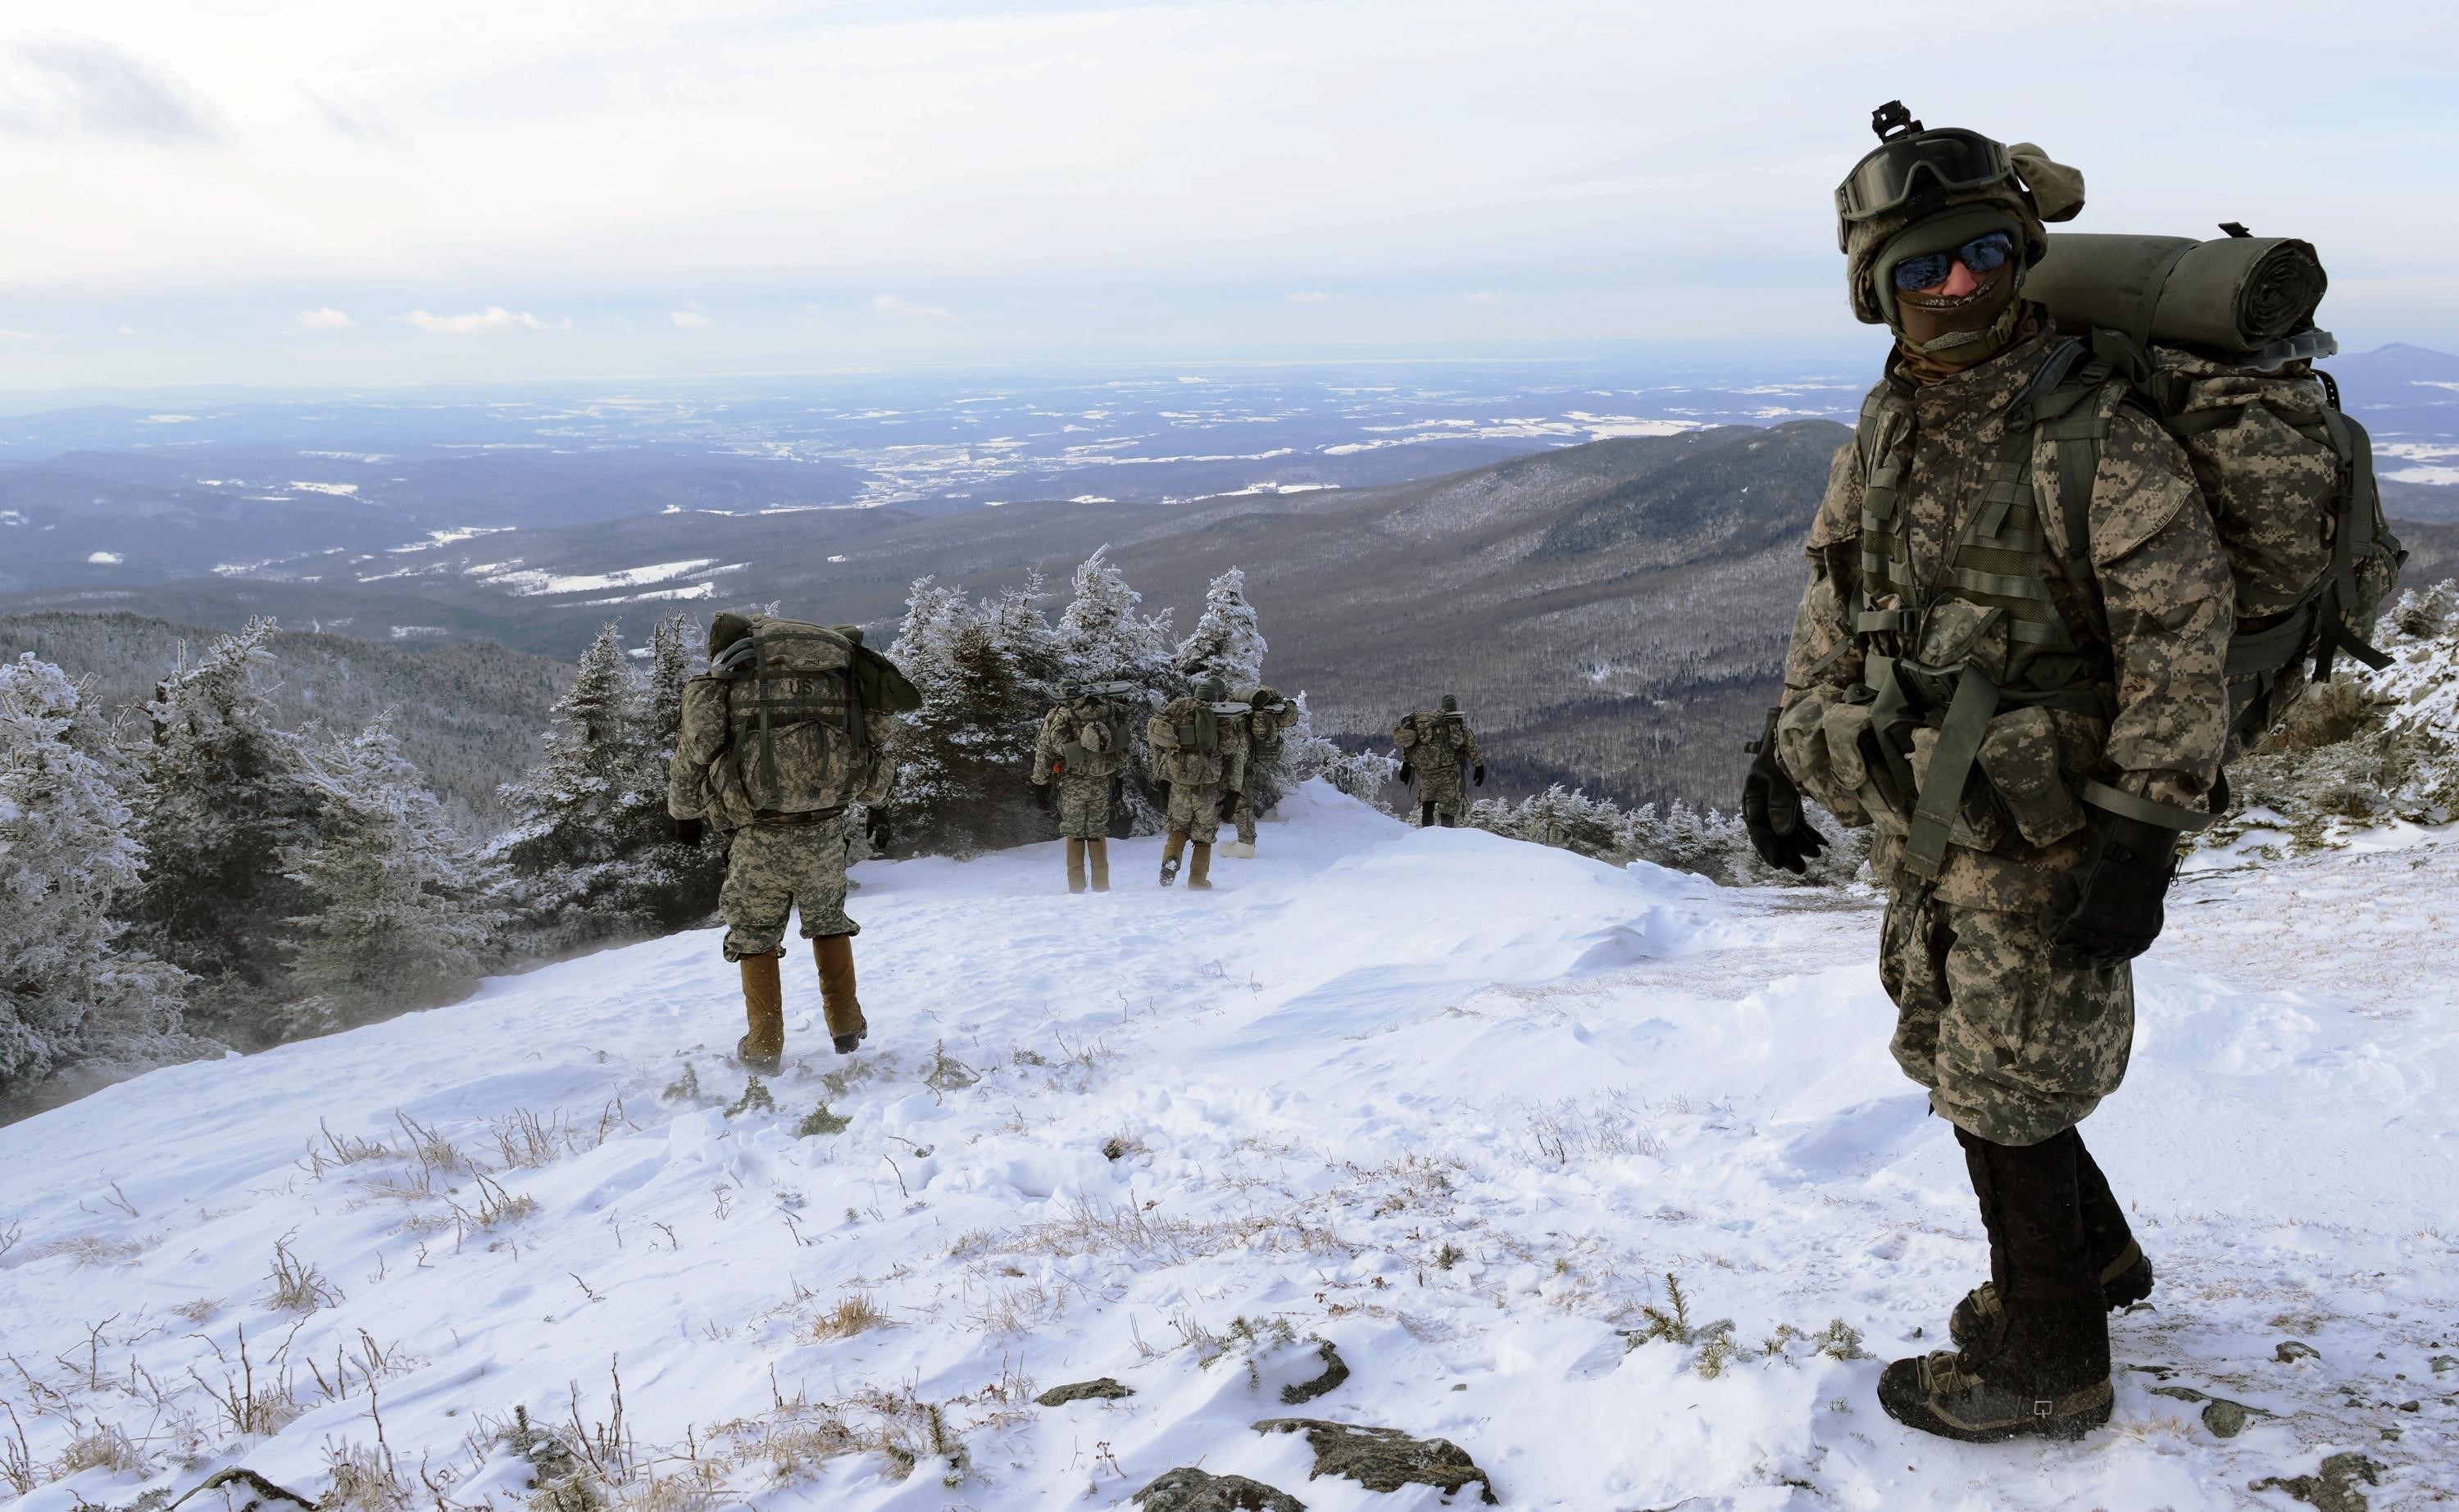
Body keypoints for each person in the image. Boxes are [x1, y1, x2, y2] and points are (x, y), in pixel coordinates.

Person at [1743, 105, 2231, 1442]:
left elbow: (2180, 642)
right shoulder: (1894, 425)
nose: (1955, 287)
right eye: (1921, 269)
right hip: (1931, 815)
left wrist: (2142, 842)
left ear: (2018, 257)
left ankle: (2049, 1355)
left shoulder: (2095, 438)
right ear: (1876, 293)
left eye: (1979, 257)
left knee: (2007, 1085)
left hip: (2055, 831)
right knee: (1956, 1052)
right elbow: (1839, 596)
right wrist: (1786, 748)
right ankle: (2095, 1259)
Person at [668, 612, 912, 1069]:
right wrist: (880, 802)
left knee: (754, 931)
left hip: (757, 833)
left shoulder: (727, 676)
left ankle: (763, 1043)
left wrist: (684, 814)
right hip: (825, 828)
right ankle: (845, 1022)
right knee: (828, 919)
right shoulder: (839, 678)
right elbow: (877, 741)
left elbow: (696, 748)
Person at [1032, 681, 1133, 892]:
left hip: (1072, 783)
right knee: (1097, 831)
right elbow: (1120, 747)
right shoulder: (1106, 711)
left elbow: (1045, 750)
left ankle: (1077, 889)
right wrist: (1120, 776)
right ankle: (1102, 887)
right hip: (1102, 780)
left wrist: (1040, 783)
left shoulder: (1061, 714)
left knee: (1075, 832)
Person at [1147, 674, 1245, 888]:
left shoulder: (1178, 714)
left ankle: (1171, 859)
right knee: (1203, 838)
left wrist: (1162, 781)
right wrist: (1234, 793)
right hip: (1208, 790)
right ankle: (1198, 882)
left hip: (1179, 786)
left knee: (1178, 828)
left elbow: (1160, 750)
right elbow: (1234, 755)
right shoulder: (1221, 718)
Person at [1225, 685, 1299, 857]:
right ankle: (1245, 841)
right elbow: (1288, 719)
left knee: (1218, 800)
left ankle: (1243, 844)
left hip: (1221, 762)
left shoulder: (1223, 708)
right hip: (1246, 761)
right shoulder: (1255, 709)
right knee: (1243, 802)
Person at [1393, 695, 1482, 828]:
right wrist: (1479, 767)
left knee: (1427, 806)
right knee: (1448, 808)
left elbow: (1409, 745)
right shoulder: (1457, 726)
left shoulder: (1424, 725)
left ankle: (1427, 837)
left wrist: (1406, 765)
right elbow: (1472, 747)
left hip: (1426, 774)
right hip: (1447, 774)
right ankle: (1445, 840)